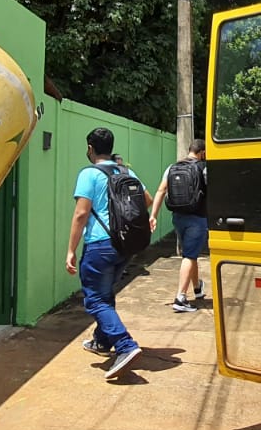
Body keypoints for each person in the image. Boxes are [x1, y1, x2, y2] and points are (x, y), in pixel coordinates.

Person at [65, 127, 146, 379]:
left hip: (100, 246)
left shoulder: (89, 173)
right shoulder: (126, 171)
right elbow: (149, 200)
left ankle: (125, 345)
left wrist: (71, 250)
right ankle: (101, 341)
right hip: (125, 246)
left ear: (90, 147)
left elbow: (81, 214)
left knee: (95, 299)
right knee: (105, 294)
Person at [149, 139, 208, 312]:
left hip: (178, 218)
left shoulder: (172, 167)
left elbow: (161, 191)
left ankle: (197, 288)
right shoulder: (203, 168)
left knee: (191, 253)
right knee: (189, 256)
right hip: (197, 218)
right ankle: (180, 298)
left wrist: (153, 215)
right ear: (202, 152)